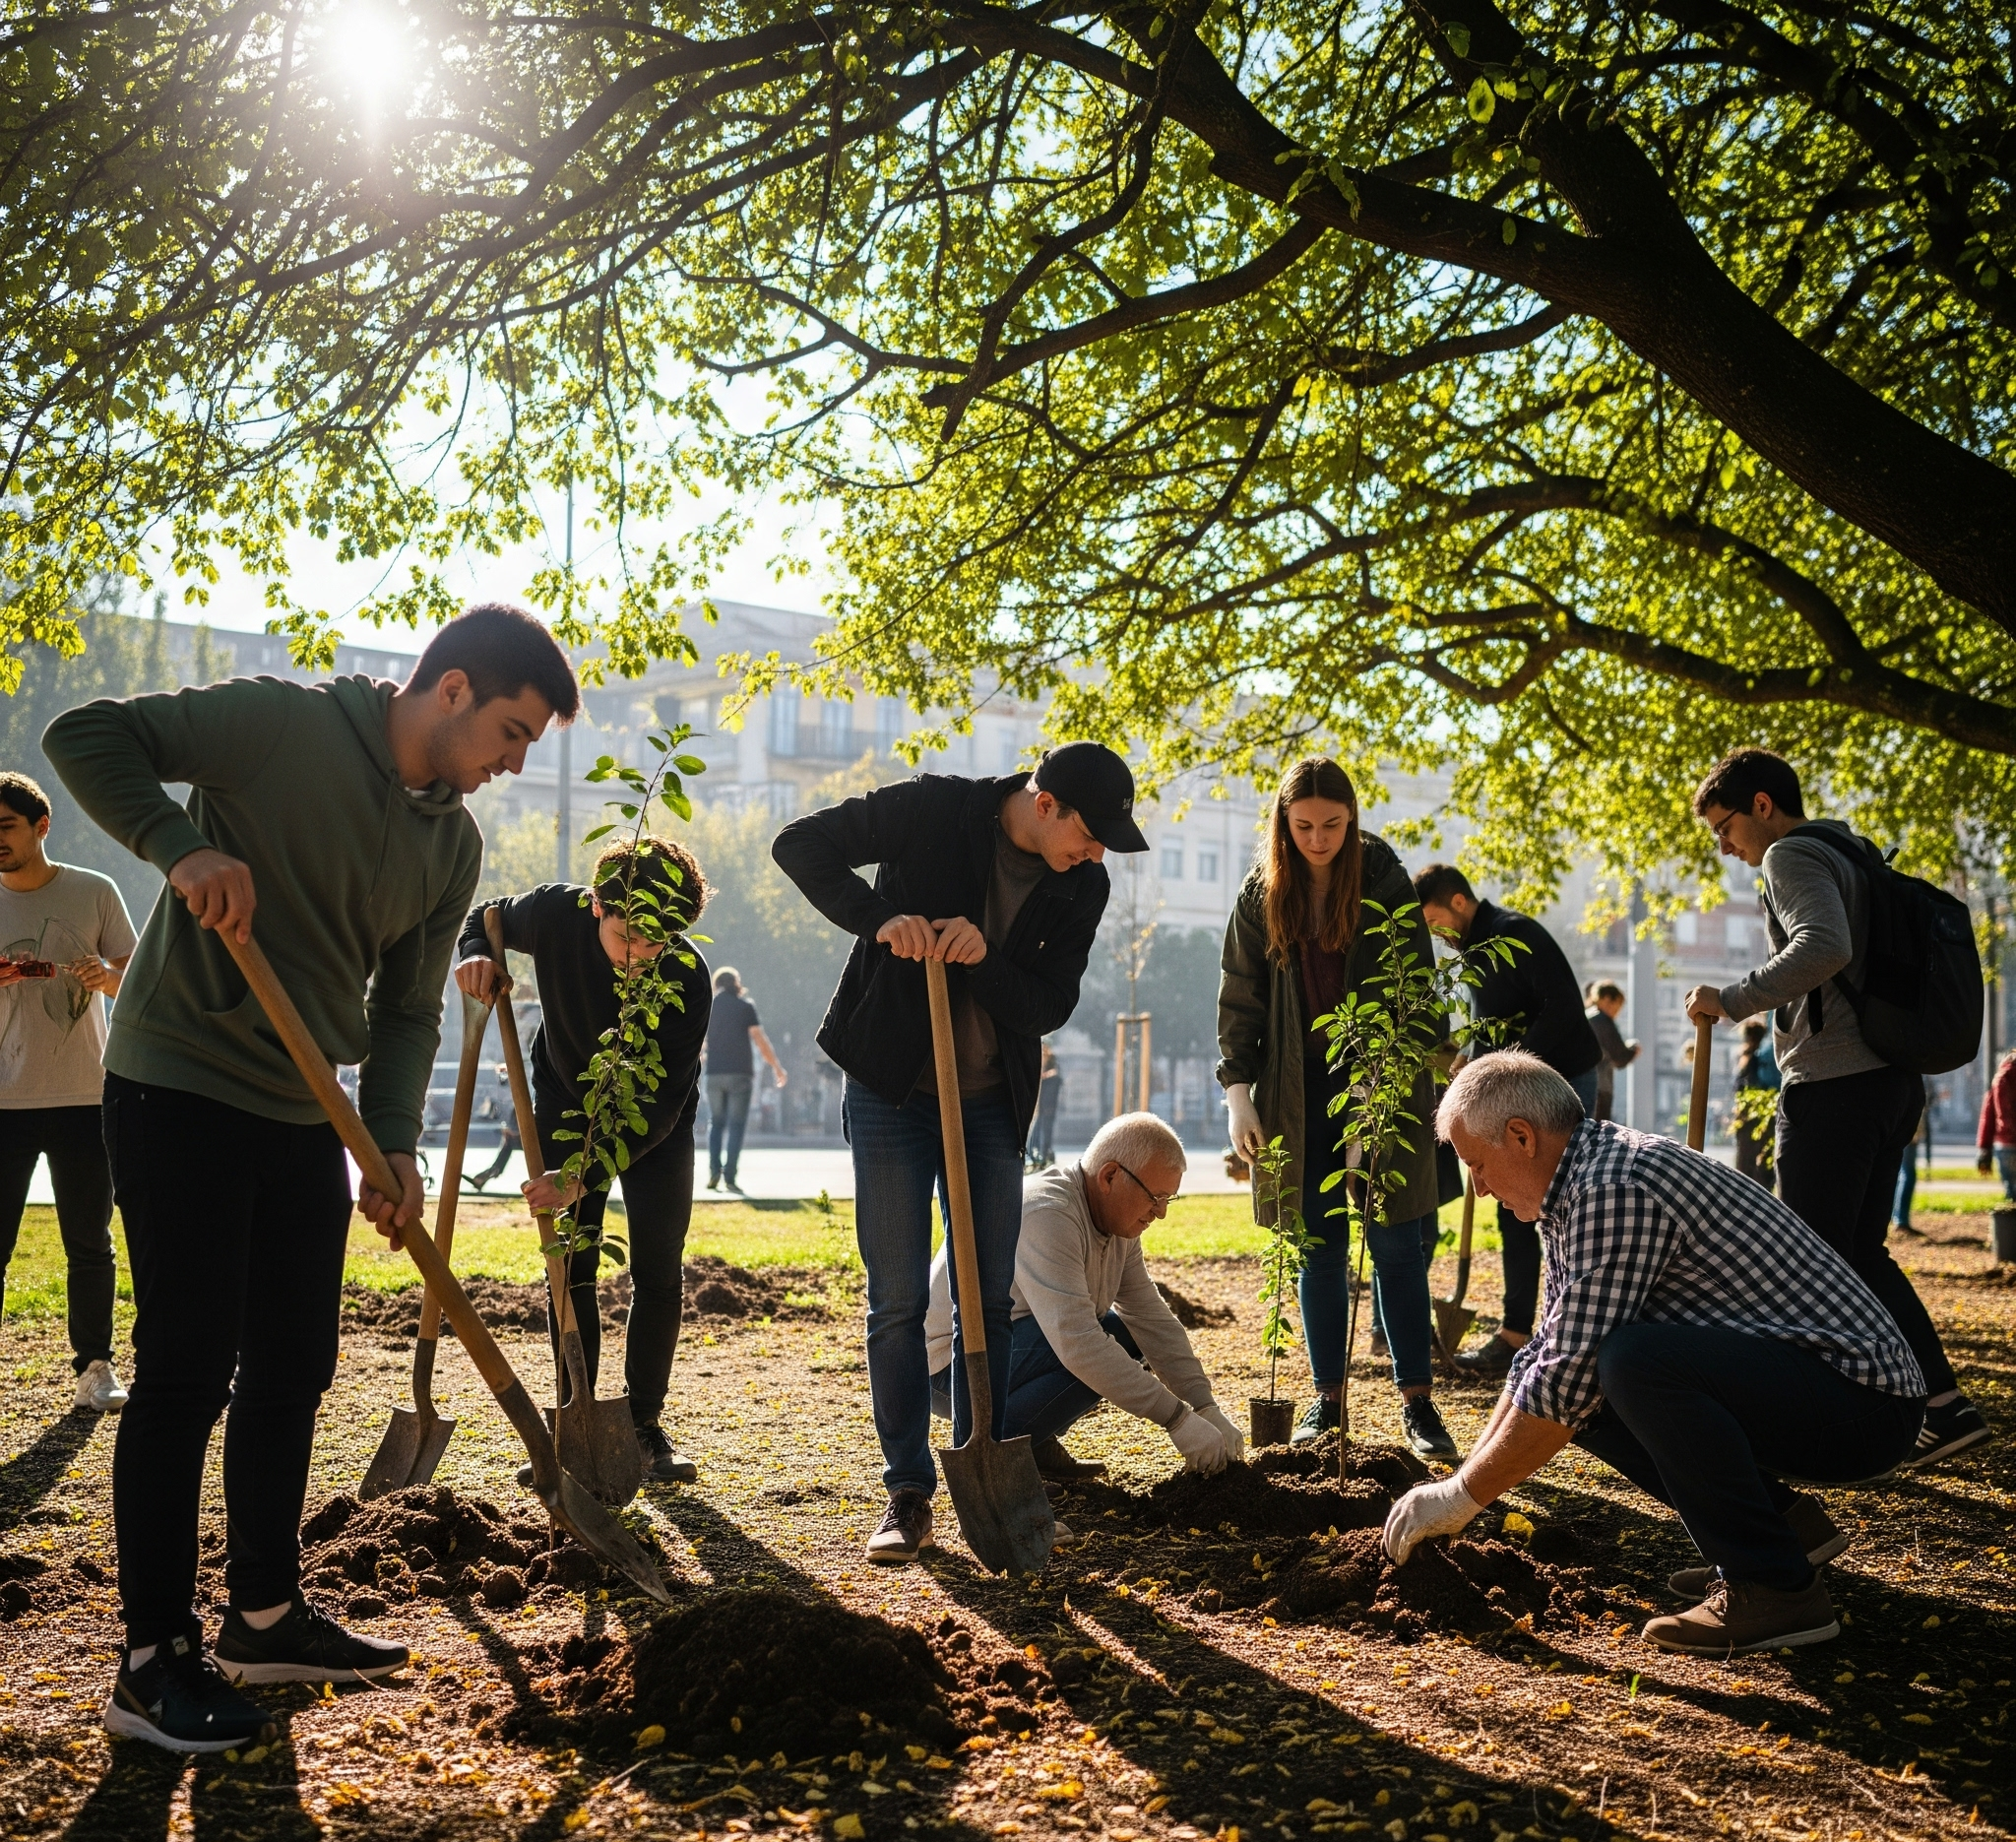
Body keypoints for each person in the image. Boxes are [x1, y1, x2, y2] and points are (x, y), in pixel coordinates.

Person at [45, 602, 576, 1754]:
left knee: (294, 1364)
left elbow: (408, 1009)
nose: (515, 763)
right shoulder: (280, 725)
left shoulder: (451, 845)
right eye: (512, 731)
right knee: (185, 1369)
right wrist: (180, 845)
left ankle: (264, 1617)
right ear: (451, 688)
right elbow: (85, 735)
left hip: (301, 1109)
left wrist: (391, 1142)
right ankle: (150, 1661)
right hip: (179, 1085)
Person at [1382, 1052, 1924, 1656]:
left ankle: (1774, 1585)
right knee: (1595, 1381)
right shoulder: (1576, 1186)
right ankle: (1783, 1532)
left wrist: (1460, 1499)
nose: (1479, 1188)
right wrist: (1459, 1486)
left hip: (1864, 1403)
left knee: (1628, 1363)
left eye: (1478, 1166)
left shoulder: (1613, 1188)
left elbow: (1569, 1376)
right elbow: (1544, 1357)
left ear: (1521, 1137)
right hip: (1815, 1383)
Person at [773, 741, 1142, 1563]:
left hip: (989, 1105)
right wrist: (880, 918)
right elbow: (800, 843)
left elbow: (1048, 1003)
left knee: (985, 1290)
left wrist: (984, 961)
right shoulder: (934, 809)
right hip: (889, 1089)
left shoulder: (1083, 883)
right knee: (898, 1297)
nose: (1096, 853)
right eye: (1089, 832)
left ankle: (987, 1464)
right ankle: (907, 1491)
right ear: (1044, 804)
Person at [1685, 748, 1987, 1468]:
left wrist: (1731, 999)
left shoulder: (1788, 855)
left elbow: (1824, 946)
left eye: (1724, 828)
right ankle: (1943, 1407)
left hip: (1834, 1086)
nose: (1724, 847)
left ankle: (1815, 1420)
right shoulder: (1849, 848)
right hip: (1889, 1081)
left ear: (1762, 805)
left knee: (1803, 1263)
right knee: (1855, 1255)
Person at [1218, 757, 1457, 1458]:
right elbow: (1240, 997)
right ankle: (1327, 1402)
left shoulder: (1385, 882)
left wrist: (1371, 1105)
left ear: (1352, 819)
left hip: (1383, 1085)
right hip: (1295, 1095)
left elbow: (1417, 997)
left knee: (1396, 1246)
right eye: (1302, 826)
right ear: (1282, 824)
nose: (1318, 839)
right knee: (1315, 1249)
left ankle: (1418, 1404)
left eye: (1332, 824)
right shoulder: (1261, 892)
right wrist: (1238, 1095)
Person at [457, 836, 711, 1485]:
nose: (640, 957)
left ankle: (643, 1427)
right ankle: (578, 1418)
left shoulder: (687, 975)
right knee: (570, 1262)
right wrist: (476, 954)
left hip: (655, 1123)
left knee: (658, 1269)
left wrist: (584, 1175)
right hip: (567, 1101)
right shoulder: (553, 913)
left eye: (657, 942)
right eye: (627, 937)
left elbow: (661, 1104)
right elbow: (484, 916)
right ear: (597, 905)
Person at [923, 1112, 1244, 1479]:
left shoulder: (1118, 1225)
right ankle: (1001, 1453)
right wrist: (1177, 1418)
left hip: (1012, 1344)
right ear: (1110, 1176)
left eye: (1169, 1199)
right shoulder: (1046, 1213)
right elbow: (1077, 1342)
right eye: (1155, 1197)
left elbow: (1149, 1317)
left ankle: (1030, 1443)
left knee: (1122, 1333)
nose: (1161, 1213)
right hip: (948, 1367)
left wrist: (1205, 1406)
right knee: (1094, 1348)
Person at [1413, 863, 1603, 1379]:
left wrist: (1506, 1071)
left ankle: (1567, 1332)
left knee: (1562, 1204)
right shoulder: (1474, 951)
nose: (1436, 935)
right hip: (1513, 1093)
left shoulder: (1515, 934)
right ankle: (1517, 1333)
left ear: (1457, 902)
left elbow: (1562, 1010)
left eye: (1433, 921)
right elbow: (1492, 1024)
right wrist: (1470, 1055)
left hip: (1561, 1083)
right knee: (1512, 1205)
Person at [0, 772, 136, 1413]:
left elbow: (140, 980)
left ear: (41, 827)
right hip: (3, 1101)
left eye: (6, 827)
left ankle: (95, 1368)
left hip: (85, 1094)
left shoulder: (94, 890)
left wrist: (105, 977)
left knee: (89, 1240)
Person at [702, 966, 786, 1193]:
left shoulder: (708, 1006)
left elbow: (699, 1039)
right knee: (736, 1126)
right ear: (736, 983)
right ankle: (730, 1176)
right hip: (740, 1074)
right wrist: (777, 1067)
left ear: (716, 984)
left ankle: (714, 1171)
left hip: (714, 1073)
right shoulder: (745, 1006)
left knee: (716, 1123)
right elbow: (760, 1039)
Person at [1731, 1020, 1780, 1185]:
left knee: (1749, 1164)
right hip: (1758, 1116)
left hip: (1751, 1116)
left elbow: (1741, 1088)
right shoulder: (1757, 1057)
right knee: (1758, 1164)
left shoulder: (1756, 1058)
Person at [1583, 982, 1639, 1123]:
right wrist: (1633, 1050)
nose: (1617, 1012)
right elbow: (1619, 1057)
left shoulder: (1587, 1016)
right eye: (1618, 1005)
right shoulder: (1602, 1021)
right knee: (1597, 1129)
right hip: (1600, 1086)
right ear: (1607, 999)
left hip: (1582, 1082)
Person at [1978, 1049, 2016, 1200]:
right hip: (2007, 1143)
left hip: (2005, 1144)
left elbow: (1988, 1115)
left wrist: (1984, 1147)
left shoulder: (2001, 1077)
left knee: (2011, 1193)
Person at [1030, 1040, 1063, 1170]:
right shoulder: (1038, 1059)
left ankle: (1044, 1155)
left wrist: (1044, 1075)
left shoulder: (1053, 1063)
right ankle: (1036, 1155)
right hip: (1038, 1106)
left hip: (1048, 1105)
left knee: (1046, 1131)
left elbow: (1056, 1074)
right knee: (1036, 1132)